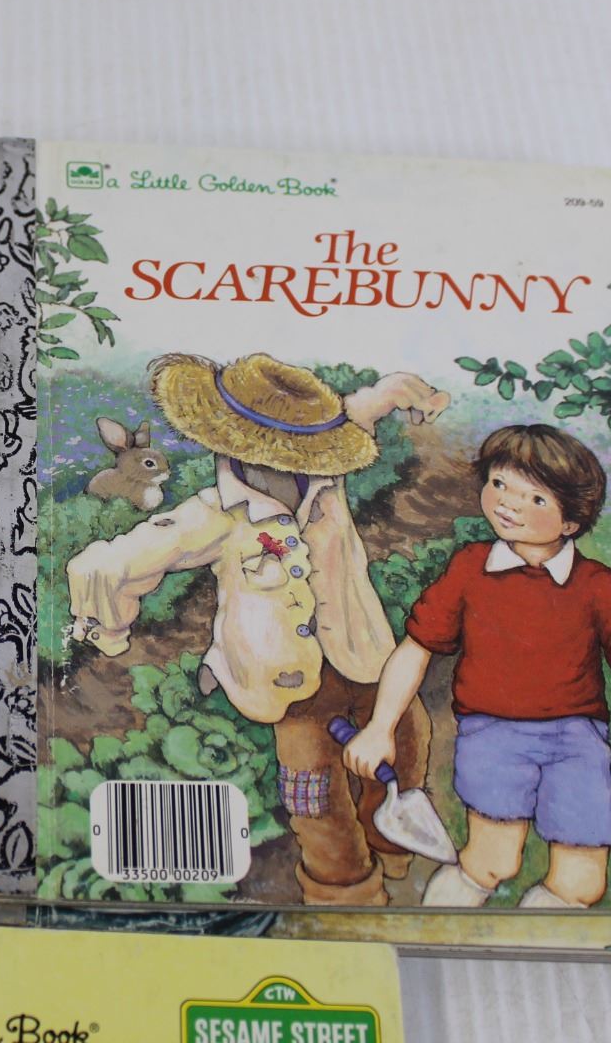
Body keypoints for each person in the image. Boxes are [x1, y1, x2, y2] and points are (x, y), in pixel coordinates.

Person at [68, 353, 448, 905]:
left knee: (406, 741)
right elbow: (110, 563)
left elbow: (362, 407)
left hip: (364, 652)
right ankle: (344, 890)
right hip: (284, 679)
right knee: (314, 789)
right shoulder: (213, 515)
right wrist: (108, 628)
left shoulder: (327, 481)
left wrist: (400, 392)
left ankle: (390, 841)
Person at [342, 423, 611, 908]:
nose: (508, 504)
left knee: (582, 885)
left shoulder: (595, 584)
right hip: (493, 735)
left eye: (534, 499)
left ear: (571, 521)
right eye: (499, 484)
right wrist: (380, 727)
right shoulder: (471, 568)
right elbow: (416, 648)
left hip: (578, 742)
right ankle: (445, 929)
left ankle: (530, 941)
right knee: (492, 862)